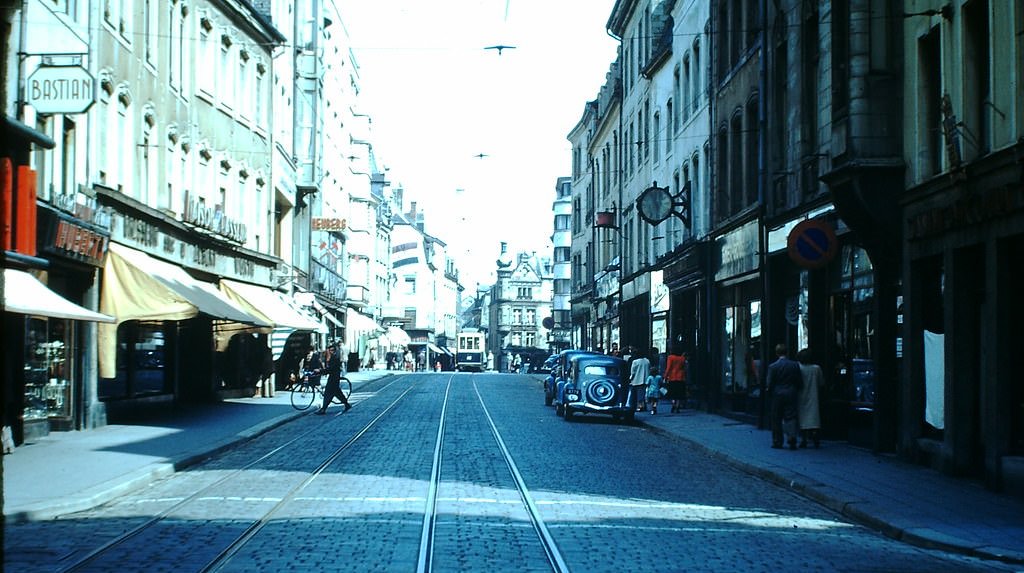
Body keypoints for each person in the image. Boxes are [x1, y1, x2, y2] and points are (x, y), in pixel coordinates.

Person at [766, 343, 803, 449]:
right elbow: (799, 380)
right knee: (790, 416)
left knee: (776, 417)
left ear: (777, 353)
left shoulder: (773, 366)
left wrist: (769, 392)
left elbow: (770, 383)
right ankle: (792, 438)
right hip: (791, 392)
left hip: (777, 394)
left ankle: (777, 441)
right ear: (787, 352)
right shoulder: (794, 365)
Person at [796, 348, 824, 448]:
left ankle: (804, 438)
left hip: (801, 394)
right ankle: (815, 436)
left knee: (802, 416)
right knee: (814, 416)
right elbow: (821, 382)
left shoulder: (798, 368)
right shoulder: (816, 368)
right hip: (813, 394)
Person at [317, 343, 352, 415]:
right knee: (337, 393)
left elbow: (331, 369)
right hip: (334, 378)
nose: (331, 352)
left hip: (333, 379)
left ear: (335, 350)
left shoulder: (335, 358)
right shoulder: (334, 357)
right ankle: (347, 404)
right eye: (330, 350)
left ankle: (323, 409)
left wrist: (321, 371)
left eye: (332, 350)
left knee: (328, 394)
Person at [664, 345, 687, 413]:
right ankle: (677, 406)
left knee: (673, 393)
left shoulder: (670, 357)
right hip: (681, 377)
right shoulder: (682, 358)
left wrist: (665, 376)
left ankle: (673, 404)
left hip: (672, 377)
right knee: (679, 393)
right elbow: (684, 368)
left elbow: (668, 368)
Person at [628, 348, 650, 412]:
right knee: (642, 394)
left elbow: (633, 372)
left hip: (636, 380)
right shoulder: (647, 361)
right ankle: (643, 406)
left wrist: (630, 379)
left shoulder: (635, 362)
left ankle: (638, 406)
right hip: (645, 379)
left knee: (635, 394)